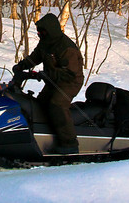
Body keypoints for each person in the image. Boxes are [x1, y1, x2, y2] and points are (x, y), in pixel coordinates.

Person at [13, 13, 84, 154]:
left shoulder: (66, 48)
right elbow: (35, 57)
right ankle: (45, 136)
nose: (39, 34)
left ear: (50, 30)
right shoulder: (46, 42)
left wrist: (46, 74)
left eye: (42, 31)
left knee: (57, 105)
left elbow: (70, 73)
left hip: (70, 82)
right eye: (39, 32)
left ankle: (69, 143)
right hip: (53, 80)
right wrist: (21, 66)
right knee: (39, 105)